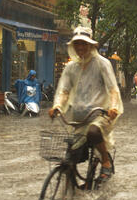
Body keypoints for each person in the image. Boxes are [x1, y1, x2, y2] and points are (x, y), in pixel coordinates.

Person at [49, 26, 123, 181]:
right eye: (77, 44)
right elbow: (64, 91)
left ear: (91, 45)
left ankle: (106, 161)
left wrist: (114, 107)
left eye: (84, 43)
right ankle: (68, 190)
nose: (80, 47)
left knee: (93, 132)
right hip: (78, 117)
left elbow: (113, 89)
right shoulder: (70, 67)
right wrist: (57, 106)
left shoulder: (102, 64)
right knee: (70, 156)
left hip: (100, 115)